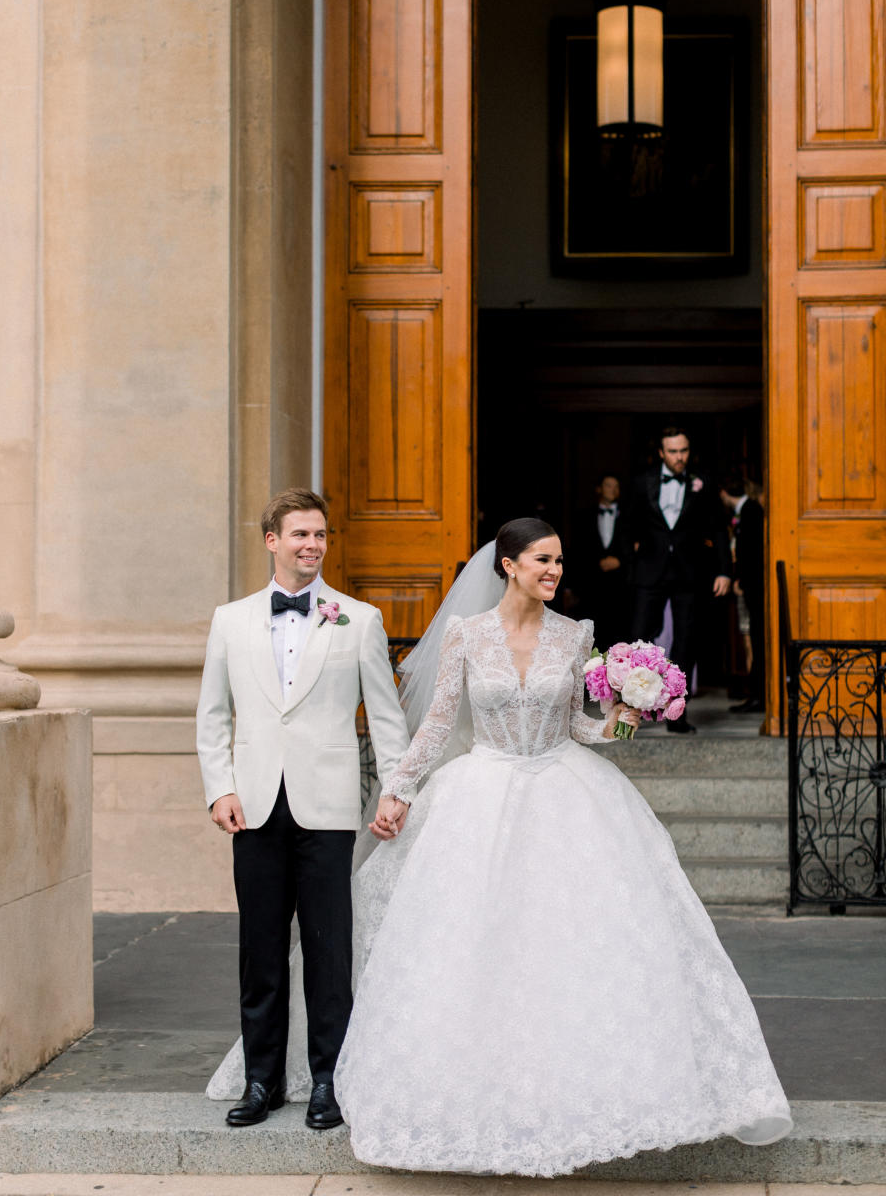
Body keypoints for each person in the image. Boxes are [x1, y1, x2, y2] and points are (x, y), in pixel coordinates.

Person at [333, 519, 791, 1175]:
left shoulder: (575, 635)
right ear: (508, 566)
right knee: (474, 945)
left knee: (575, 945)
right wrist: (398, 790)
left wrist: (626, 723)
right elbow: (439, 724)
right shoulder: (466, 635)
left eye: (558, 561)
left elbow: (579, 722)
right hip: (481, 795)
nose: (554, 570)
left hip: (564, 786)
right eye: (542, 560)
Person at [195, 488, 412, 1132]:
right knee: (259, 949)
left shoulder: (360, 619)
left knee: (327, 950)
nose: (312, 545)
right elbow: (213, 715)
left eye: (320, 535)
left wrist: (395, 791)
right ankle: (262, 1080)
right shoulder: (229, 620)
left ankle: (328, 1080)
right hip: (254, 806)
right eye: (300, 535)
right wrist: (219, 787)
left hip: (328, 807)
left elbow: (389, 720)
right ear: (271, 540)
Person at [624, 428, 731, 731]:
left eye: (683, 450)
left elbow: (719, 528)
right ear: (661, 452)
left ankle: (676, 713)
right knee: (638, 641)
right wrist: (631, 568)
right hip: (649, 571)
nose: (679, 457)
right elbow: (626, 527)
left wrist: (724, 570)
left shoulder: (703, 483)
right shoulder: (641, 482)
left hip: (689, 573)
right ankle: (631, 710)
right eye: (672, 451)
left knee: (686, 642)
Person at [720, 475, 766, 714]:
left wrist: (742, 580)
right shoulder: (747, 509)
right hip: (750, 585)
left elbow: (751, 551)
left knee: (757, 639)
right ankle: (756, 695)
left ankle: (760, 696)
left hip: (754, 587)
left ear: (724, 493)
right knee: (754, 639)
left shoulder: (750, 510)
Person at [575, 473, 628, 651]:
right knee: (591, 634)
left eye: (616, 486)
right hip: (592, 583)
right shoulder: (584, 516)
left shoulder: (628, 517)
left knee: (618, 632)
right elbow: (578, 549)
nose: (612, 490)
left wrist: (620, 561)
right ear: (599, 489)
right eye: (608, 485)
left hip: (620, 584)